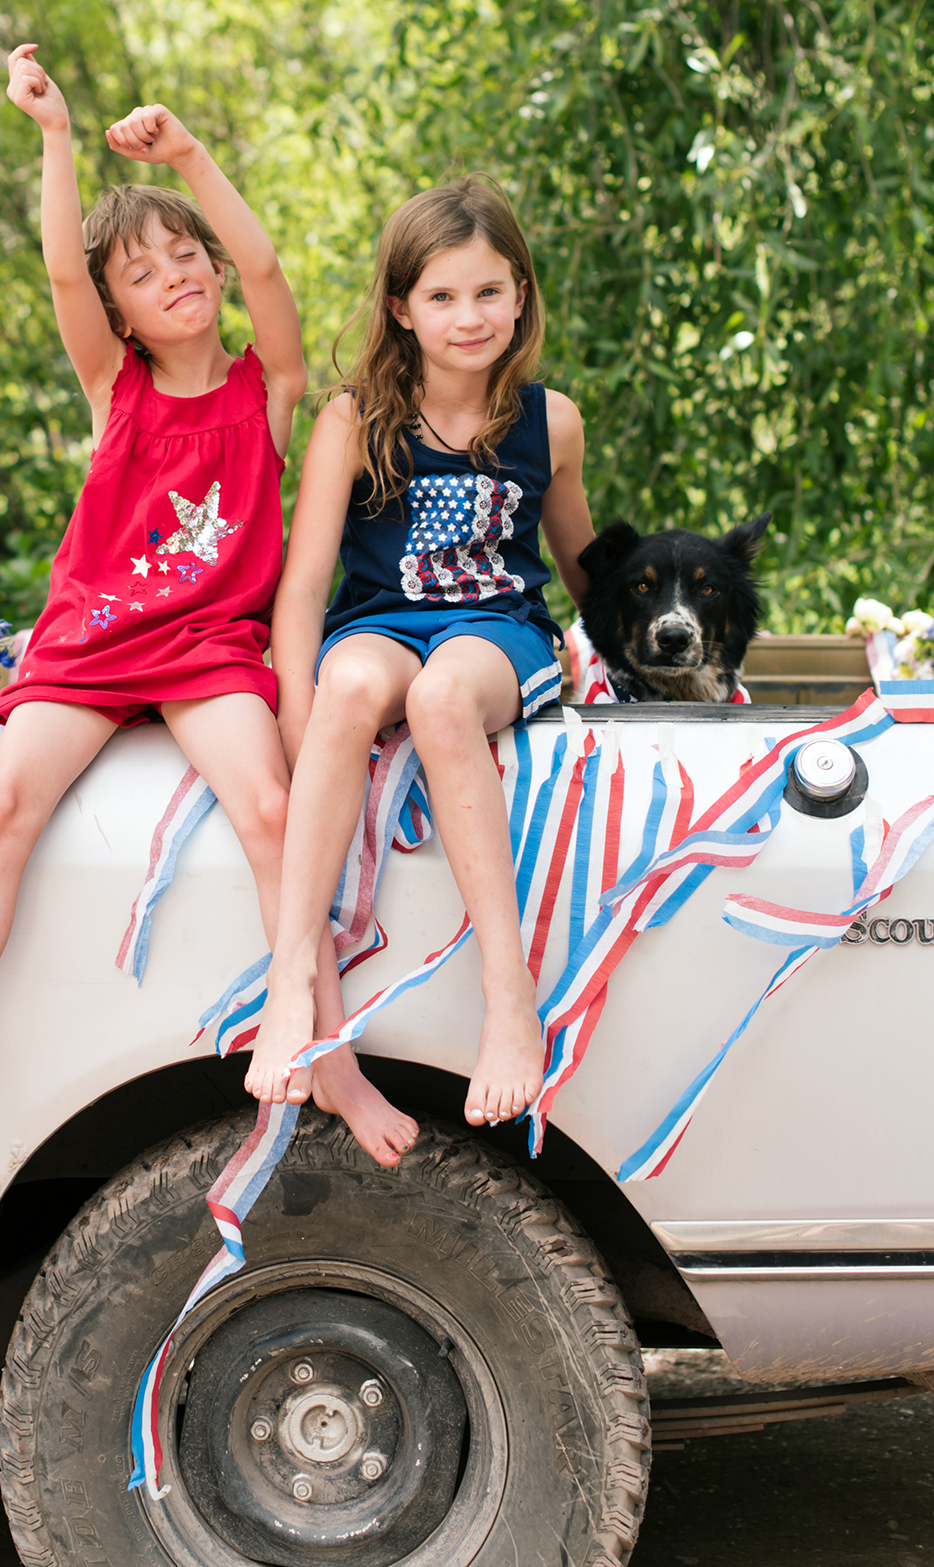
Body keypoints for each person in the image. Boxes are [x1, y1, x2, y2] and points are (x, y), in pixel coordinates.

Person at [0, 46, 388, 1169]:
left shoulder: (269, 389)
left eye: (185, 256)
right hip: (94, 638)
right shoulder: (117, 388)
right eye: (142, 271)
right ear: (116, 312)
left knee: (272, 807)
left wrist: (192, 158)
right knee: (6, 804)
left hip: (209, 648)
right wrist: (58, 138)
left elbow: (266, 272)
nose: (176, 274)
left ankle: (327, 1053)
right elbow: (64, 274)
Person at [244, 175, 597, 1148]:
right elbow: (305, 588)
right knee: (352, 684)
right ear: (401, 307)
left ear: (521, 294)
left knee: (443, 700)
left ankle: (508, 1000)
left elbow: (586, 565)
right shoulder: (355, 418)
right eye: (442, 296)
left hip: (498, 634)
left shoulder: (548, 423)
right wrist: (296, 708)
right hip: (381, 622)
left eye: (489, 291)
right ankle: (291, 986)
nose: (468, 315)